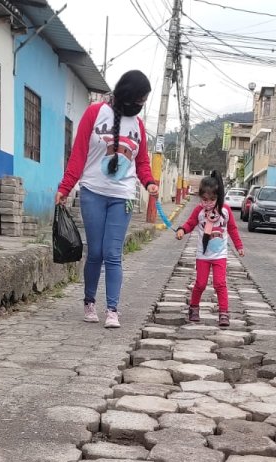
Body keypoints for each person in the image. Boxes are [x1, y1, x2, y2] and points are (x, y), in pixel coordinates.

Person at [57, 70, 159, 329]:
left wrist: (149, 183)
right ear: (127, 96)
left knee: (113, 254)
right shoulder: (94, 113)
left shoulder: (138, 126)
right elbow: (78, 154)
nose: (140, 105)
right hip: (93, 192)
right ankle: (89, 302)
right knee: (96, 252)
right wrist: (65, 187)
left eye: (144, 101)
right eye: (139, 100)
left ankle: (112, 309)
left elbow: (142, 162)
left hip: (122, 196)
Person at [175, 172, 244, 327]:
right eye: (205, 199)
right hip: (203, 255)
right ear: (200, 197)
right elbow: (190, 223)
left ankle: (224, 313)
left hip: (220, 255)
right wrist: (182, 230)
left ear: (218, 197)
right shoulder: (198, 211)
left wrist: (239, 246)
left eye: (212, 199)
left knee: (220, 284)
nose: (208, 203)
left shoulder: (225, 210)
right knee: (200, 283)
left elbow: (232, 229)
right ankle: (194, 308)